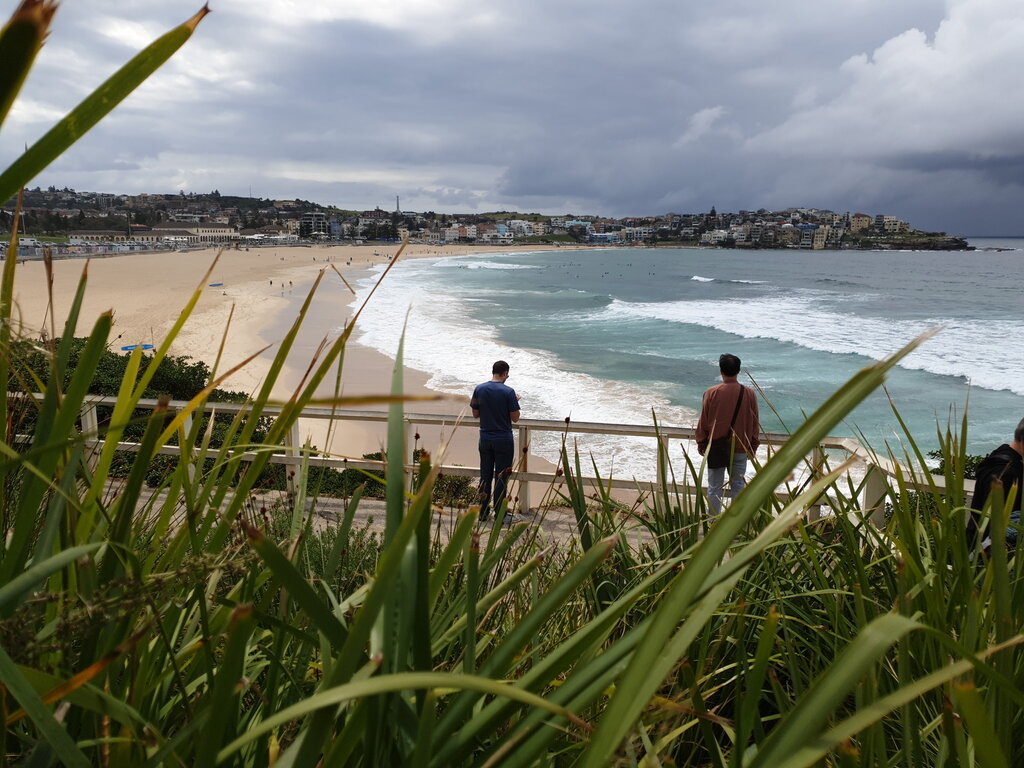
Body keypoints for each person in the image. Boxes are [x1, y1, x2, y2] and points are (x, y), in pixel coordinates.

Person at [694, 353, 760, 516]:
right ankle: (734, 526)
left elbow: (704, 420)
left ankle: (713, 523)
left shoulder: (711, 392)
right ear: (738, 370)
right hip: (740, 447)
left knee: (714, 487)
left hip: (716, 445)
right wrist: (753, 444)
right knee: (738, 485)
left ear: (721, 370)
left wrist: (701, 441)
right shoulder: (749, 393)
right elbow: (754, 422)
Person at [470, 360, 521, 522]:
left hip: (485, 438)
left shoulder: (479, 389)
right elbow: (516, 418)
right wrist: (515, 400)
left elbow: (475, 414)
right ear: (505, 373)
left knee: (485, 476)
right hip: (503, 439)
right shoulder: (508, 392)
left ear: (493, 371)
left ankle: (483, 513)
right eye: (508, 374)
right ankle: (500, 514)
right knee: (501, 477)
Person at [969, 418, 1023, 549]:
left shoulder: (998, 458)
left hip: (974, 544)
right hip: (988, 557)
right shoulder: (1007, 474)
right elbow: (999, 526)